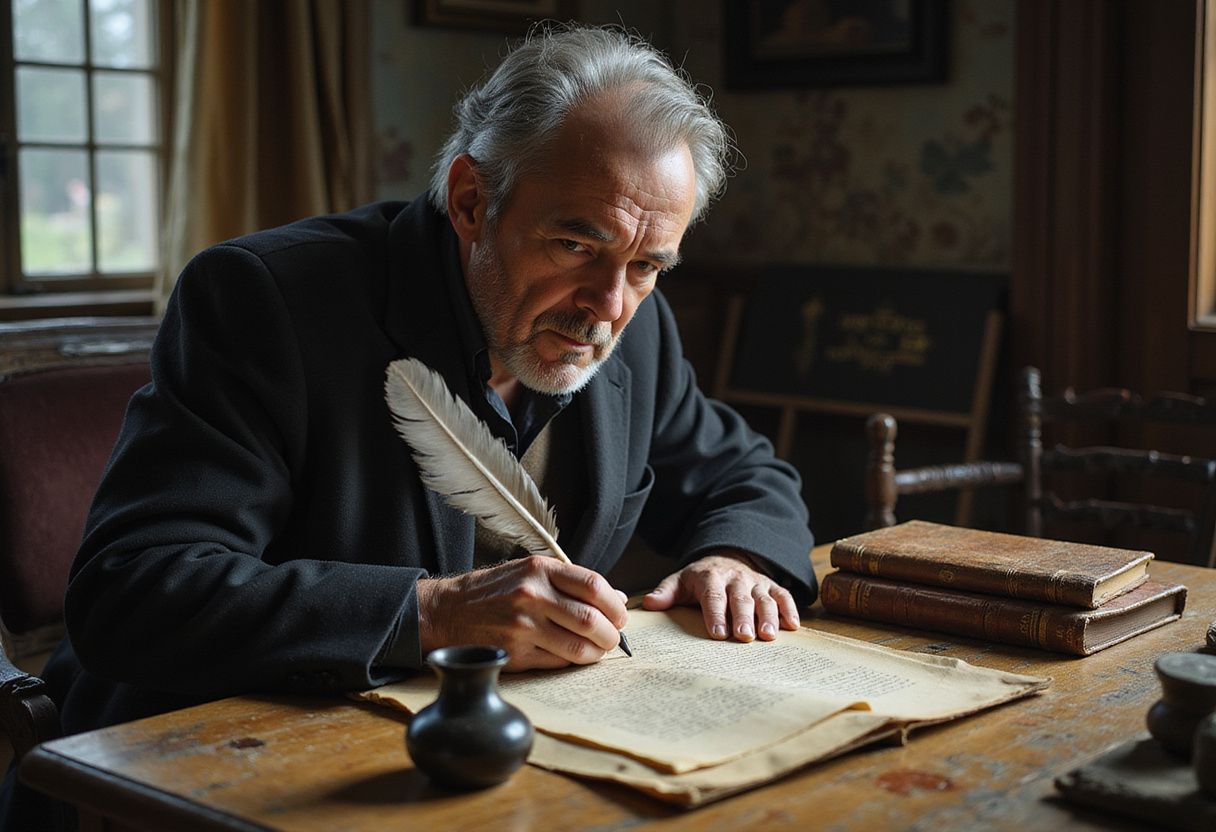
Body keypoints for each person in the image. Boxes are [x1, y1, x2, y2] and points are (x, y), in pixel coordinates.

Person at [0, 23, 815, 829]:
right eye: (574, 243)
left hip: (489, 773)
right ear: (471, 200)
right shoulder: (265, 303)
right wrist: (433, 613)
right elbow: (133, 594)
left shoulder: (637, 324)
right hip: (210, 778)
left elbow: (744, 473)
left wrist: (733, 555)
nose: (609, 307)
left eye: (646, 266)